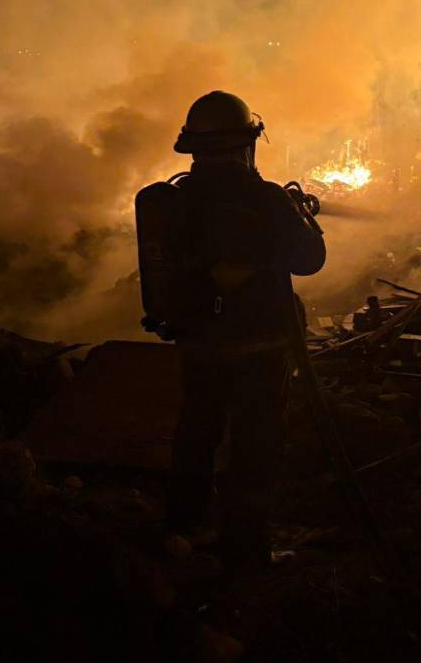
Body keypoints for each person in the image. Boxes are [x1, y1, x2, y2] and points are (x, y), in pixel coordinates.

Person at [164, 90, 325, 570]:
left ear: (194, 148)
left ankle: (181, 532)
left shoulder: (174, 201)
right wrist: (300, 217)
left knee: (197, 433)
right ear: (246, 144)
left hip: (200, 346)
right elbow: (310, 260)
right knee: (256, 446)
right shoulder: (265, 198)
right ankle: (246, 550)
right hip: (262, 347)